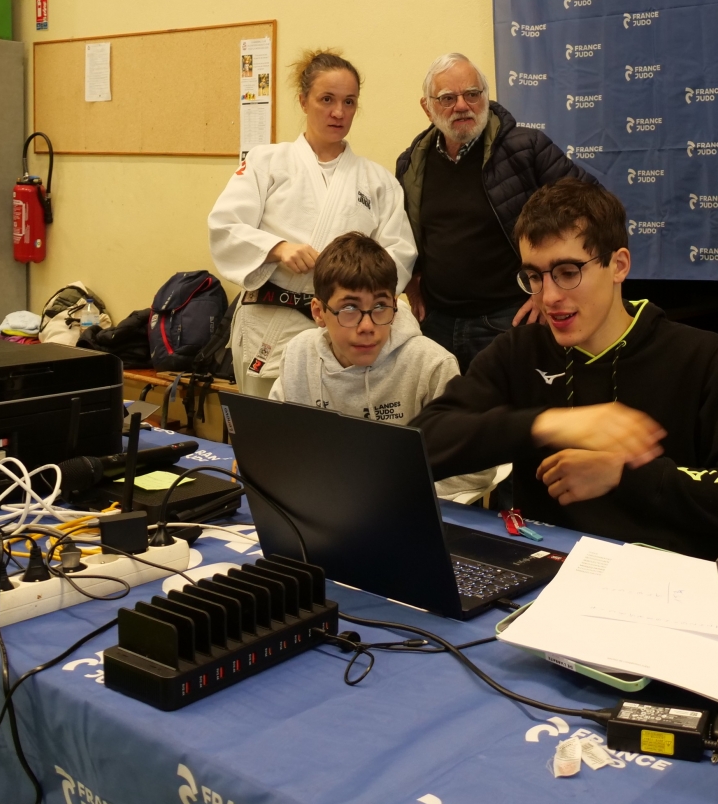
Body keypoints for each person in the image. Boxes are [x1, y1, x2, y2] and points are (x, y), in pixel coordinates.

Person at [414, 179, 718, 559]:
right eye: (535, 277)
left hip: (666, 578)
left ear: (618, 265)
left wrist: (627, 475)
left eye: (567, 272)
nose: (549, 297)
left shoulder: (701, 356)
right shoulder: (519, 352)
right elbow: (421, 446)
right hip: (549, 571)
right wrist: (546, 424)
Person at [209, 49, 416, 398]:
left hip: (344, 327)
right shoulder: (266, 162)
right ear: (304, 101)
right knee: (266, 425)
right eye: (327, 99)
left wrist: (356, 291)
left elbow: (399, 254)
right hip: (271, 322)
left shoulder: (378, 181)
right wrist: (277, 248)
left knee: (337, 422)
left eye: (349, 102)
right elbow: (225, 226)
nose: (339, 112)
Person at [395, 52, 593, 371]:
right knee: (447, 405)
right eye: (448, 98)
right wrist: (412, 280)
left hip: (509, 319)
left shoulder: (526, 148)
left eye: (472, 94)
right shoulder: (411, 163)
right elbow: (404, 232)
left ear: (486, 97)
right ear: (427, 107)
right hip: (437, 324)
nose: (462, 106)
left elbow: (592, 207)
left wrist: (548, 288)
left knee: (510, 404)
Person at [271, 232, 499, 502]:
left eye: (380, 306)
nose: (367, 326)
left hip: (405, 507)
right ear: (319, 312)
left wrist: (388, 494)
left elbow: (474, 470)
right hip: (322, 503)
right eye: (350, 308)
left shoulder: (432, 364)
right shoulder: (298, 355)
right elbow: (277, 445)